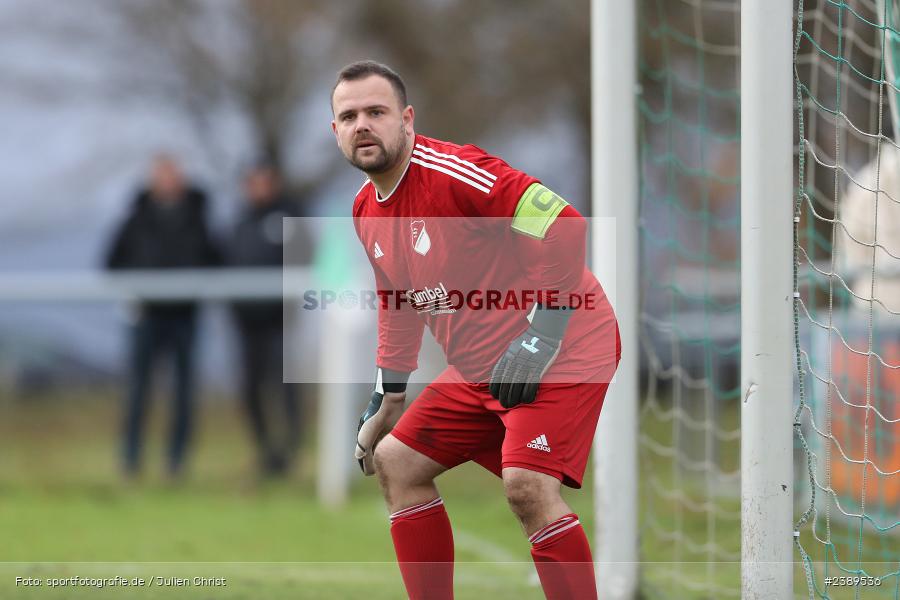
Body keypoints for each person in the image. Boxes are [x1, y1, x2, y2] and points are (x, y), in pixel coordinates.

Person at [330, 61, 620, 599]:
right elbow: (397, 300)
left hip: (568, 343)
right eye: (349, 116)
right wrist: (387, 394)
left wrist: (543, 335)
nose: (362, 125)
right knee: (398, 462)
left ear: (407, 119)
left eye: (377, 111)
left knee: (527, 486)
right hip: (483, 366)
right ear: (336, 131)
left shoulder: (456, 173)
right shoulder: (365, 209)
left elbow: (563, 224)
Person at [105, 154, 221, 479]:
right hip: (146, 317)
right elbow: (112, 261)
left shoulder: (198, 218)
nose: (168, 182)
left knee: (184, 392)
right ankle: (131, 460)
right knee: (139, 390)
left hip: (185, 317)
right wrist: (136, 289)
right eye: (162, 176)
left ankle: (176, 462)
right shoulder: (136, 218)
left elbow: (216, 260)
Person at [229, 163, 311, 477]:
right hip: (248, 322)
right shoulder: (240, 222)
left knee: (286, 386)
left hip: (282, 320)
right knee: (251, 387)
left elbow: (306, 257)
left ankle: (292, 450)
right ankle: (264, 451)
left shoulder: (291, 216)